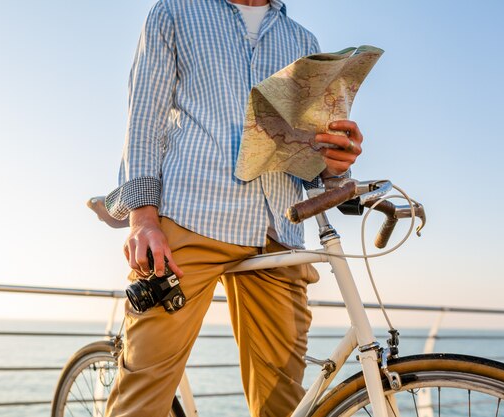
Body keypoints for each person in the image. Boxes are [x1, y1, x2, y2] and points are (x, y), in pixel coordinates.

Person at [104, 1, 364, 416]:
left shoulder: (303, 41)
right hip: (189, 218)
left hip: (277, 230)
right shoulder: (175, 11)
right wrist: (142, 218)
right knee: (142, 399)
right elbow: (143, 122)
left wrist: (333, 159)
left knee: (284, 405)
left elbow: (307, 157)